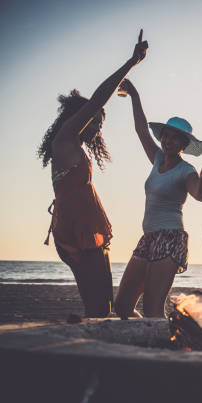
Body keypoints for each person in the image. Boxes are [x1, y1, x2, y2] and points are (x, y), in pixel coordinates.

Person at [37, 30, 148, 317]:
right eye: (95, 122)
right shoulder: (63, 140)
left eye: (100, 125)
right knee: (99, 309)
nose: (98, 128)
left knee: (103, 308)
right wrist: (131, 62)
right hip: (77, 233)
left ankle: (94, 338)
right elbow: (98, 100)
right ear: (78, 118)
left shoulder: (77, 148)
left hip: (89, 231)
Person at [114, 79, 202, 318]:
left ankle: (160, 350)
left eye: (175, 138)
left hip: (170, 237)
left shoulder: (187, 171)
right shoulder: (156, 159)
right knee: (121, 305)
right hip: (148, 238)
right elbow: (141, 129)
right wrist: (134, 95)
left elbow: (200, 196)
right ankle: (146, 343)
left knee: (153, 308)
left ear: (183, 144)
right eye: (166, 136)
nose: (168, 141)